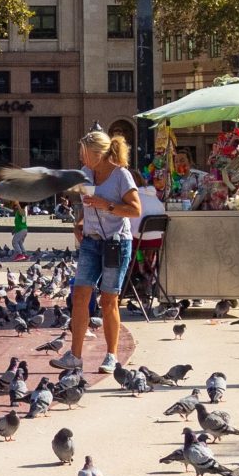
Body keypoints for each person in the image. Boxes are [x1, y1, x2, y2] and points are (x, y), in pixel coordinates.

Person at [67, 129, 142, 376]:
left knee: (108, 300)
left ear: (99, 154)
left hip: (116, 243)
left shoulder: (122, 175)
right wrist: (80, 222)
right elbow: (85, 206)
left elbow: (135, 210)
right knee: (79, 295)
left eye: (84, 153)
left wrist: (106, 205)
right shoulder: (86, 174)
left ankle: (111, 355)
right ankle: (74, 356)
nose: (81, 158)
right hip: (90, 241)